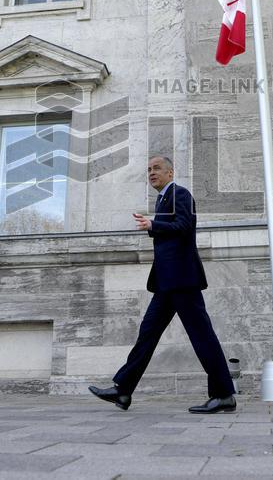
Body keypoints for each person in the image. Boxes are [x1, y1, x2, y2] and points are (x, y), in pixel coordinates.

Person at [89, 156, 237, 414]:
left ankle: (224, 394)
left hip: (182, 279)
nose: (151, 173)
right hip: (166, 283)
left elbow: (184, 225)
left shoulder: (181, 194)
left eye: (156, 168)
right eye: (148, 169)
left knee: (202, 337)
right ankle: (122, 390)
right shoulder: (162, 199)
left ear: (170, 172)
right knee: (147, 334)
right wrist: (154, 224)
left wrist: (153, 224)